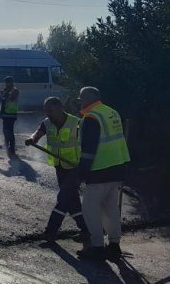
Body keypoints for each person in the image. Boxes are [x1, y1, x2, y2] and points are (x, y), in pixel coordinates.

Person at [75, 86, 130, 262]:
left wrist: (82, 171)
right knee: (110, 207)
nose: (80, 102)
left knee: (90, 209)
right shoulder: (111, 111)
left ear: (87, 99)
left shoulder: (91, 117)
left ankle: (97, 247)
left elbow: (88, 150)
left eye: (81, 99)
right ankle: (114, 245)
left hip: (99, 169)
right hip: (117, 166)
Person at [25, 97, 89, 242]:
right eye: (46, 111)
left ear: (60, 108)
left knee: (63, 198)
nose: (48, 114)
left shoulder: (76, 123)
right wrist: (32, 140)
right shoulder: (47, 123)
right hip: (60, 167)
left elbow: (87, 144)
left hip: (75, 168)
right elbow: (37, 133)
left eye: (50, 110)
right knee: (72, 201)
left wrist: (87, 166)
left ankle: (50, 231)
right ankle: (86, 230)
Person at [0, 76, 19, 158]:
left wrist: (0, 95)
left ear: (11, 82)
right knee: (5, 132)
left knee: (10, 132)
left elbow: (7, 98)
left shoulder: (15, 91)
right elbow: (1, 98)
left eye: (8, 82)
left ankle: (12, 150)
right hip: (5, 115)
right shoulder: (6, 91)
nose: (6, 84)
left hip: (11, 115)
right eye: (6, 82)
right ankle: (8, 149)